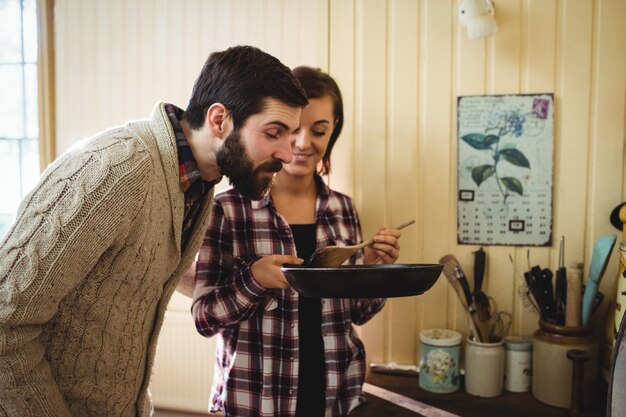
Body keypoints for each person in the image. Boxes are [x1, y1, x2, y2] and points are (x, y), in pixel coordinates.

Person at [0, 45, 308, 417]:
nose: (289, 154)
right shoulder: (115, 170)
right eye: (274, 133)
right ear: (219, 120)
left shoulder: (197, 184)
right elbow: (6, 321)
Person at [192, 66, 404, 417]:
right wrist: (255, 279)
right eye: (293, 130)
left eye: (319, 130)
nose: (304, 143)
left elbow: (357, 313)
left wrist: (373, 270)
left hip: (333, 395)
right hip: (254, 399)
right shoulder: (229, 209)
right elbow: (204, 318)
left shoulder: (342, 208)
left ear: (333, 132)